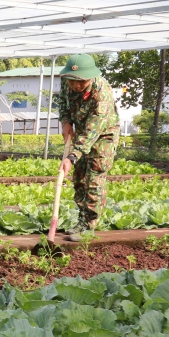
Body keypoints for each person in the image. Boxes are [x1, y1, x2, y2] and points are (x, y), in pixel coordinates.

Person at [57, 53, 121, 242]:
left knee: (93, 178)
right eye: (72, 81)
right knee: (79, 179)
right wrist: (66, 122)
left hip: (102, 136)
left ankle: (89, 225)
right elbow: (62, 103)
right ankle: (81, 220)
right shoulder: (67, 81)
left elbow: (92, 131)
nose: (76, 86)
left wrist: (72, 156)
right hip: (82, 132)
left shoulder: (102, 93)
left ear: (90, 77)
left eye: (81, 82)